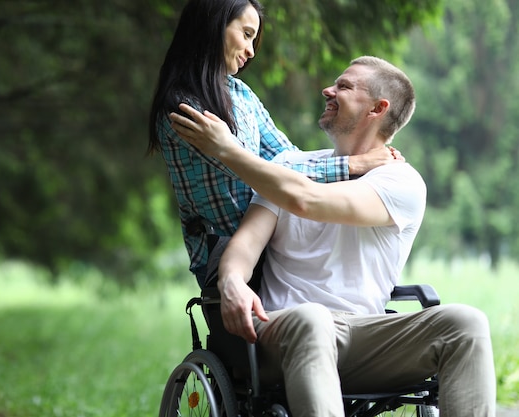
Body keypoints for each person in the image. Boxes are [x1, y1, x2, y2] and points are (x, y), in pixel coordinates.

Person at [169, 56, 496, 417]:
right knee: (313, 318)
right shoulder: (288, 171)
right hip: (284, 330)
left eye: (344, 86)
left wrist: (227, 149)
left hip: (364, 337)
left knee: (466, 323)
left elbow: (308, 201)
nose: (328, 90)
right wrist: (231, 281)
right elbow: (244, 246)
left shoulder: (400, 182)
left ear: (378, 108)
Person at [147, 0, 399, 288]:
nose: (251, 51)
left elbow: (284, 157)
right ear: (213, 25)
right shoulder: (182, 107)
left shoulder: (239, 92)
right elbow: (246, 167)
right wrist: (351, 165)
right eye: (246, 34)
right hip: (226, 253)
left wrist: (356, 162)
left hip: (274, 244)